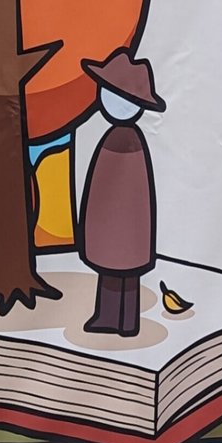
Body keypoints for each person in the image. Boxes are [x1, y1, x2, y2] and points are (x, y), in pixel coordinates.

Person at [77, 49, 164, 336]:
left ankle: (117, 319)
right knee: (118, 270)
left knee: (116, 270)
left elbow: (119, 189)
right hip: (120, 226)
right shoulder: (122, 140)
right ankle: (120, 319)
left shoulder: (124, 142)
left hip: (120, 226)